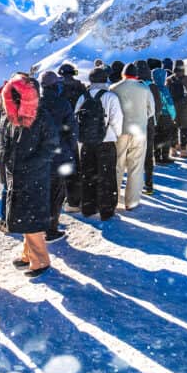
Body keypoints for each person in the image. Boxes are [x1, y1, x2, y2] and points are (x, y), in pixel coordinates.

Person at [0, 75, 58, 278]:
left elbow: (50, 146)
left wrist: (29, 165)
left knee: (32, 220)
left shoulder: (41, 116)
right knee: (25, 217)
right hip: (18, 176)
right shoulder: (11, 116)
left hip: (34, 177)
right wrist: (8, 166)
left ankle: (41, 261)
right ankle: (28, 254)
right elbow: (5, 145)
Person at [74, 67, 124, 219]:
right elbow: (116, 120)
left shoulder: (82, 97)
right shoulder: (110, 97)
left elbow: (76, 118)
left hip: (86, 142)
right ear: (105, 80)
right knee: (107, 176)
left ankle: (88, 207)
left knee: (88, 175)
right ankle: (106, 209)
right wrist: (116, 134)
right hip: (106, 142)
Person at [111, 63, 156, 209]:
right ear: (136, 75)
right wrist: (141, 118)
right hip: (139, 132)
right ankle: (131, 201)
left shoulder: (114, 88)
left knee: (117, 165)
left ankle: (114, 199)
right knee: (136, 167)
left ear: (123, 74)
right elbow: (151, 110)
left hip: (119, 131)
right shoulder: (144, 89)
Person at [40, 71, 77, 242]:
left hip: (40, 156)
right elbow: (72, 131)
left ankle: (40, 226)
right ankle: (51, 229)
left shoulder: (37, 103)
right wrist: (71, 150)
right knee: (56, 193)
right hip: (59, 155)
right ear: (55, 85)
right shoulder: (63, 104)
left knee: (42, 192)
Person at [135, 61, 160, 193]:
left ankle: (134, 184)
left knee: (134, 154)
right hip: (149, 123)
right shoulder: (153, 86)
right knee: (148, 154)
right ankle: (149, 184)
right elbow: (158, 106)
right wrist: (154, 120)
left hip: (134, 123)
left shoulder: (134, 85)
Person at [167, 61, 187, 157]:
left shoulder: (169, 79)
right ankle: (184, 151)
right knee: (185, 129)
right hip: (185, 108)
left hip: (172, 108)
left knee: (173, 128)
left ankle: (173, 149)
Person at [151, 64, 177, 162]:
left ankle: (157, 156)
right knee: (166, 136)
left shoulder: (150, 87)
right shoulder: (163, 89)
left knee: (156, 136)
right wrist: (173, 115)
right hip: (165, 116)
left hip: (154, 115)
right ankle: (165, 156)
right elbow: (169, 104)